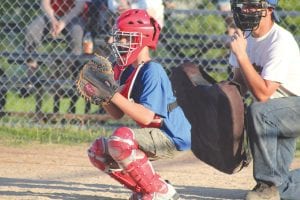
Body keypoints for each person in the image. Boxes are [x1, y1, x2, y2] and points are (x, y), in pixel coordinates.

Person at [87, 9, 191, 200]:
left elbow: (145, 116)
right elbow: (117, 113)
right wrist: (100, 95)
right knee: (98, 151)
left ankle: (161, 190)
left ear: (140, 39)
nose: (116, 43)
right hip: (155, 133)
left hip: (172, 135)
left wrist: (111, 93)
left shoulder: (153, 70)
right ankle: (144, 188)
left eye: (124, 38)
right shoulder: (125, 70)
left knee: (121, 140)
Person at [229, 0, 300, 199]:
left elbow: (263, 93)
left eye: (252, 5)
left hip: (294, 106)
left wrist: (242, 56)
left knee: (259, 109)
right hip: (275, 115)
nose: (246, 10)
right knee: (283, 186)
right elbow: (238, 84)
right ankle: (274, 188)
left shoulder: (281, 41)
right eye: (243, 5)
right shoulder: (245, 38)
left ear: (269, 9)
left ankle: (266, 185)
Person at [24, 0, 90, 115]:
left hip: (73, 16)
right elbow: (45, 3)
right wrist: (52, 20)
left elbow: (78, 7)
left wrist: (63, 22)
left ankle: (70, 76)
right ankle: (31, 75)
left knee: (77, 32)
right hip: (52, 15)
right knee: (32, 31)